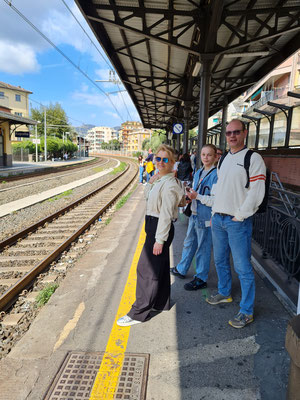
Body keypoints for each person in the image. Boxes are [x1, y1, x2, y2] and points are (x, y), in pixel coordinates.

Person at [206, 119, 266, 329]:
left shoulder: (253, 158)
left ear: (244, 133)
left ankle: (247, 311)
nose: (232, 136)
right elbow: (219, 189)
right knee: (220, 260)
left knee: (243, 267)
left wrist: (240, 216)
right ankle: (225, 293)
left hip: (236, 222)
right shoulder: (223, 160)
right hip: (219, 219)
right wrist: (214, 212)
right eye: (229, 132)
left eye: (236, 132)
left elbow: (257, 192)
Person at [117, 144, 184, 327]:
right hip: (154, 227)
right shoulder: (161, 179)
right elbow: (148, 196)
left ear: (172, 163)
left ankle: (139, 312)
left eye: (165, 160)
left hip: (159, 228)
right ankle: (161, 303)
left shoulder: (170, 184)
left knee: (146, 270)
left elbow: (166, 215)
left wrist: (159, 240)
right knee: (159, 268)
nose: (161, 162)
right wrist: (151, 181)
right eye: (158, 159)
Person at [171, 144, 218, 290]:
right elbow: (196, 190)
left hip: (206, 216)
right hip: (195, 213)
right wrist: (190, 195)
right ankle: (182, 268)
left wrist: (196, 196)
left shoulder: (217, 174)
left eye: (209, 155)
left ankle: (201, 278)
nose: (205, 157)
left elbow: (215, 199)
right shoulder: (198, 172)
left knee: (203, 247)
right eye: (203, 154)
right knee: (189, 242)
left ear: (215, 157)